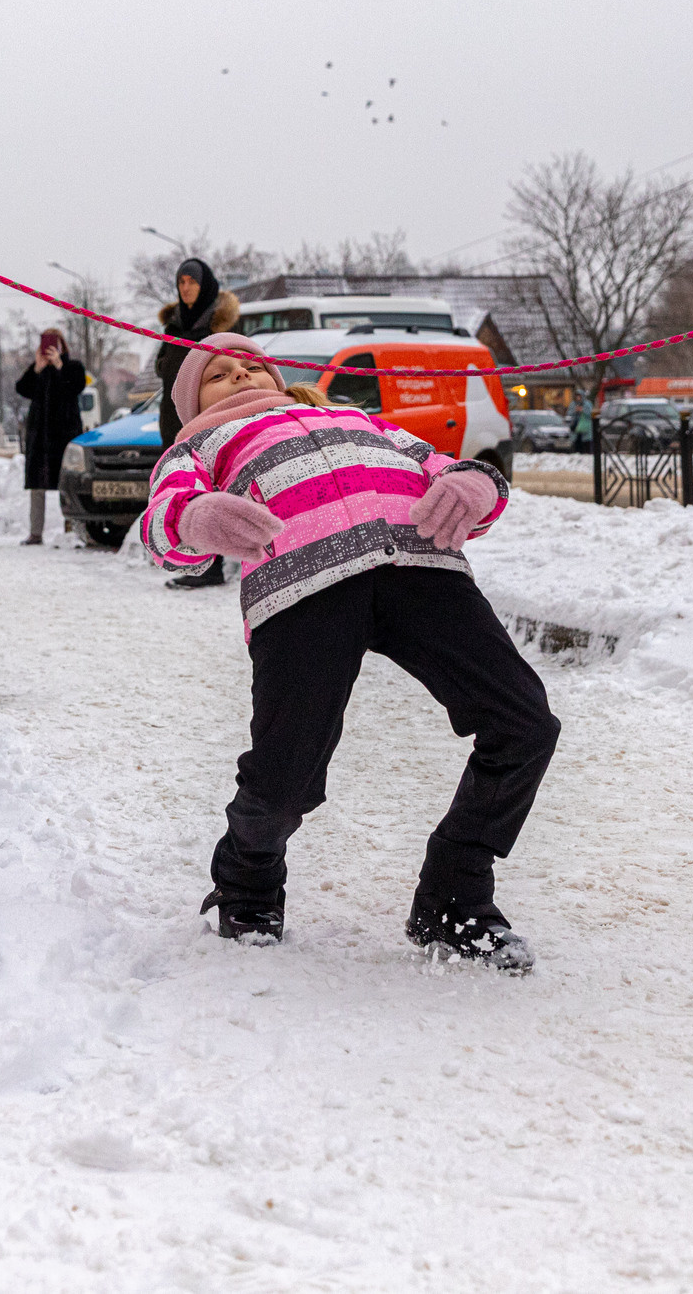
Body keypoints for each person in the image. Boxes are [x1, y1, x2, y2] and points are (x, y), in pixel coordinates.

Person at [141, 332, 559, 970]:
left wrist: (475, 487)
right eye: (220, 374)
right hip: (301, 585)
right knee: (285, 777)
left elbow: (447, 467)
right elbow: (164, 521)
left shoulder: (356, 418)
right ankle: (248, 883)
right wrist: (198, 520)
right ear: (192, 404)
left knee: (524, 721)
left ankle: (453, 897)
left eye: (252, 364)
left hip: (422, 565)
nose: (242, 374)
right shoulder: (201, 443)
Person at [153, 257, 238, 590]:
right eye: (181, 282)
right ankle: (194, 560)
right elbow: (162, 368)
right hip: (172, 420)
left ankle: (213, 565)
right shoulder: (173, 327)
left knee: (209, 492)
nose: (185, 288)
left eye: (192, 282)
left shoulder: (220, 328)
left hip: (210, 422)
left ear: (205, 286)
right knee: (184, 491)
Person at [14, 328, 88, 545]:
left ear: (61, 345)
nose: (48, 350)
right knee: (37, 486)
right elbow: (21, 388)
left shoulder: (72, 367)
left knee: (66, 485)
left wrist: (59, 366)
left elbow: (77, 386)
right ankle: (35, 533)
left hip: (64, 435)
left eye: (52, 345)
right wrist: (36, 368)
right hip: (40, 438)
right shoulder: (39, 370)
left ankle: (70, 530)